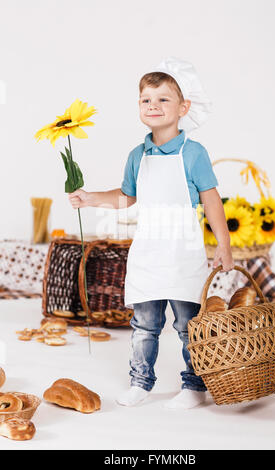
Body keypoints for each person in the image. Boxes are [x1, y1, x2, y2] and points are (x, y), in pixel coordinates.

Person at [68, 57, 234, 409]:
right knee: (144, 324)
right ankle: (141, 381)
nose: (154, 106)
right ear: (138, 106)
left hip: (183, 251)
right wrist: (90, 198)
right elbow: (128, 197)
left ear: (183, 107)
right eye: (146, 99)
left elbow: (212, 201)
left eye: (163, 99)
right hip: (147, 252)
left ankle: (194, 386)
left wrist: (224, 244)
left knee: (189, 325)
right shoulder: (137, 155)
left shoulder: (193, 153)